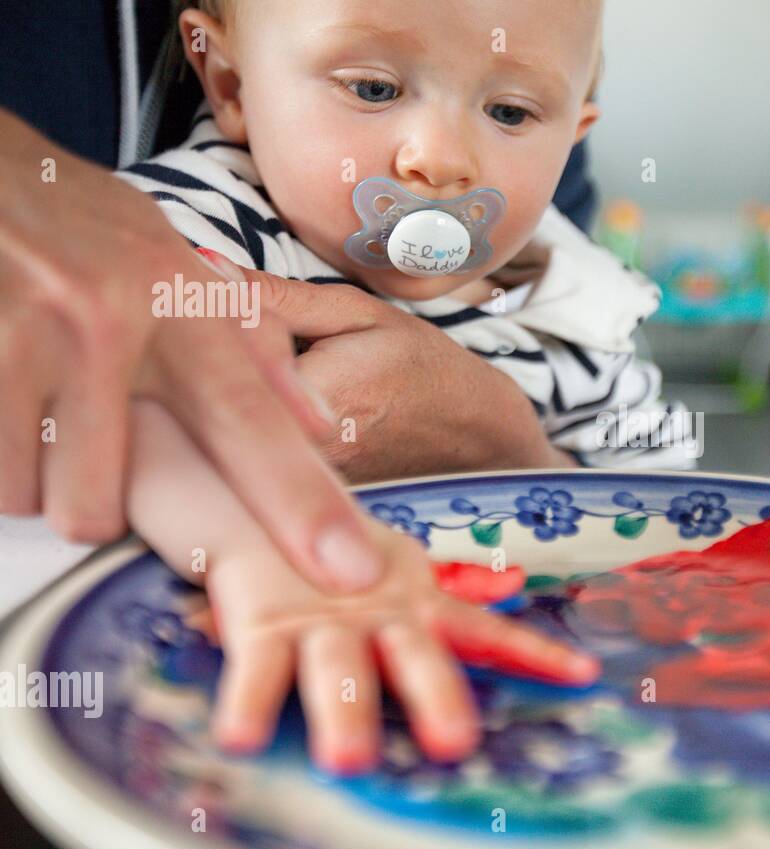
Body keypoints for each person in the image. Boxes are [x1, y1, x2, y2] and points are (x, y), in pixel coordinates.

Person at [0, 0, 597, 593]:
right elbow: (121, 409)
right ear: (232, 87)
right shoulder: (192, 234)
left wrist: (525, 456)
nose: (441, 161)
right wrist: (243, 561)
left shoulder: (578, 291)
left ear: (573, 134)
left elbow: (638, 499)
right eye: (372, 89)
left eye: (510, 113)